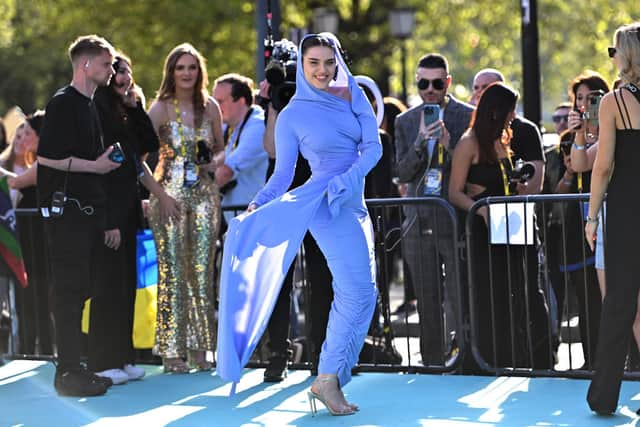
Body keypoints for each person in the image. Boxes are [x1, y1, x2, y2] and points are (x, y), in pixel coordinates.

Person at [217, 32, 381, 416]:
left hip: (352, 201)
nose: (322, 70)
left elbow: (373, 147)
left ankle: (334, 375)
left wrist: (349, 179)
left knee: (366, 293)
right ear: (303, 66)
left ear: (338, 61)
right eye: (314, 63)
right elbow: (281, 176)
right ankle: (326, 379)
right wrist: (255, 207)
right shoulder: (291, 114)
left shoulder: (354, 93)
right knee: (355, 292)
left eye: (329, 62)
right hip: (324, 205)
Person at [36, 34, 120, 397]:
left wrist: (106, 160)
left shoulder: (91, 104)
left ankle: (76, 367)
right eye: (106, 63)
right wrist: (97, 166)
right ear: (86, 64)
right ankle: (68, 372)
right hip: (66, 214)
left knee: (81, 290)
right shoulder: (63, 103)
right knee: (70, 293)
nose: (112, 70)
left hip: (86, 214)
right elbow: (46, 157)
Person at [449, 82, 551, 369]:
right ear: (496, 110)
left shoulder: (505, 137)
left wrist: (518, 186)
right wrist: (479, 211)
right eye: (510, 109)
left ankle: (530, 356)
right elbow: (454, 191)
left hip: (514, 224)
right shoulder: (470, 141)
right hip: (486, 231)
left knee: (525, 288)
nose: (513, 115)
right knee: (492, 295)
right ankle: (492, 358)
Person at [147, 43, 224, 374]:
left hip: (205, 196)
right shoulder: (160, 108)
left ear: (200, 71)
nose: (187, 73)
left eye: (192, 67)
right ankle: (171, 352)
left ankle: (202, 350)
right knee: (173, 274)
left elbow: (222, 149)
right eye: (180, 67)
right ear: (171, 72)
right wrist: (159, 195)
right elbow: (140, 159)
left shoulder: (211, 107)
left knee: (202, 274)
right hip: (170, 196)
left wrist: (212, 163)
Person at [87, 52, 163, 384]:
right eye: (118, 72)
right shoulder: (97, 109)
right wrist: (107, 221)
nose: (124, 78)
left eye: (128, 74)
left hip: (129, 208)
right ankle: (102, 359)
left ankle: (123, 355)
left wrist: (135, 107)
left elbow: (148, 144)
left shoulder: (124, 110)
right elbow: (99, 170)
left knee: (126, 287)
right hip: (108, 212)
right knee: (107, 287)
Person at [394, 53, 473, 366]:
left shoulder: (467, 115)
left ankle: (464, 357)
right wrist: (418, 143)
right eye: (423, 82)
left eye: (437, 83)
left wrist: (450, 144)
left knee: (459, 295)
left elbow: (474, 170)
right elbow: (400, 172)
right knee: (426, 299)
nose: (430, 89)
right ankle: (431, 362)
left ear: (448, 82)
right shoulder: (405, 121)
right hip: (417, 220)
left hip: (454, 219)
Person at [258, 76, 333, 382]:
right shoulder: (275, 106)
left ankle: (321, 354)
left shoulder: (322, 101)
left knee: (320, 277)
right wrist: (272, 105)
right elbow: (272, 150)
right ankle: (278, 353)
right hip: (282, 198)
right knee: (279, 280)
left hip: (316, 197)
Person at [586, 22, 640, 415]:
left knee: (619, 304)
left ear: (627, 55)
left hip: (626, 211)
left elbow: (602, 166)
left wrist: (591, 217)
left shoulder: (615, 102)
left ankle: (604, 396)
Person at [554, 71, 610, 369]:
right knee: (587, 300)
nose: (585, 104)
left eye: (592, 98)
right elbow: (559, 187)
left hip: (609, 220)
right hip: (578, 226)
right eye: (580, 99)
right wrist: (568, 171)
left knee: (610, 298)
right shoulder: (568, 139)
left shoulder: (614, 130)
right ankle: (592, 361)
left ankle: (619, 360)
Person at [7, 112, 54, 356]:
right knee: (28, 299)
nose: (23, 137)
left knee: (39, 298)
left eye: (28, 133)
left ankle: (43, 350)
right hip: (28, 240)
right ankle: (28, 348)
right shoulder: (38, 159)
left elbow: (17, 182)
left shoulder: (44, 161)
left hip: (38, 241)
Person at [212, 74, 268, 222]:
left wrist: (190, 197)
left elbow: (226, 172)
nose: (215, 107)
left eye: (220, 101)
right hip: (241, 220)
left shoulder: (258, 126)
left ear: (241, 101)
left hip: (258, 222)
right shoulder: (232, 126)